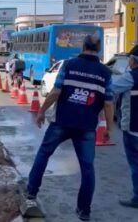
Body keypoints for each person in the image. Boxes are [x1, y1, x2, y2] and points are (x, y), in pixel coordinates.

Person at [23, 35, 114, 221]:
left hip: (62, 122)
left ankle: (31, 193)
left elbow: (56, 92)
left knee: (44, 154)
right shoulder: (105, 73)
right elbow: (109, 103)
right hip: (87, 127)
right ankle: (84, 211)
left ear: (83, 46)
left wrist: (41, 111)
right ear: (99, 49)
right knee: (87, 168)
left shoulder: (69, 65)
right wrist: (109, 129)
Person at [111, 45, 138, 209]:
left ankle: (137, 197)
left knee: (135, 164)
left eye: (130, 59)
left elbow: (112, 89)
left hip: (133, 129)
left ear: (134, 60)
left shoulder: (131, 77)